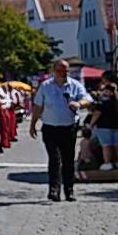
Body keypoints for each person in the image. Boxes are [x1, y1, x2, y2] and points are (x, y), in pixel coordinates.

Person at [30, 59, 91, 202]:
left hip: (69, 128)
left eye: (65, 71)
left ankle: (69, 190)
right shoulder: (45, 86)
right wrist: (33, 124)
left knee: (68, 160)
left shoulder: (75, 85)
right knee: (54, 159)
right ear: (54, 71)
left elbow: (87, 99)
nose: (62, 74)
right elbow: (38, 106)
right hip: (50, 128)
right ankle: (54, 190)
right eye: (60, 71)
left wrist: (78, 103)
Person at [89, 79, 118, 170]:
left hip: (104, 126)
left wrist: (91, 124)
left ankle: (107, 163)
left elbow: (96, 114)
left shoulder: (104, 103)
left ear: (109, 92)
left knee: (106, 145)